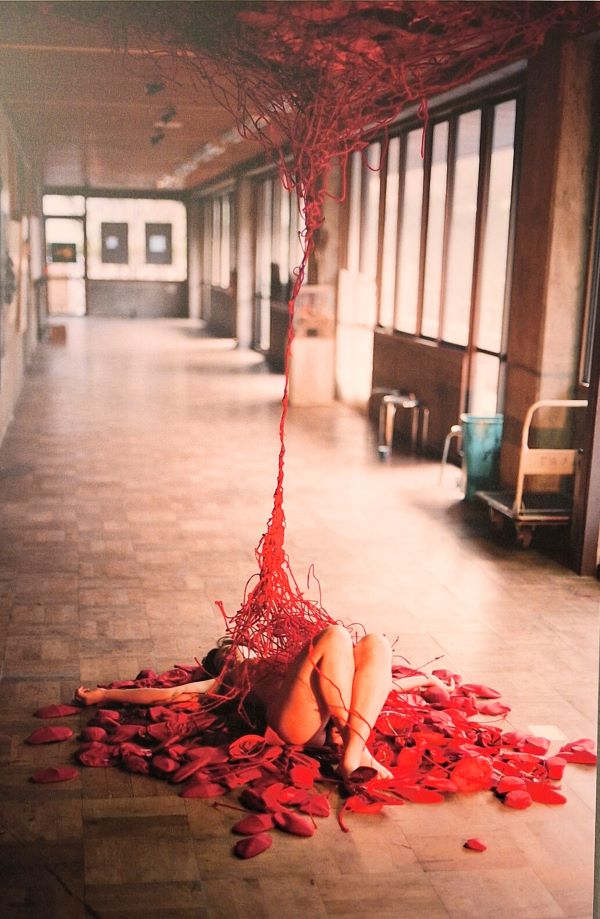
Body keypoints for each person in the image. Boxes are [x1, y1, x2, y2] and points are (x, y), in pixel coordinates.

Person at [76, 624, 450, 781]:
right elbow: (169, 694)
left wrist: (420, 681)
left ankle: (354, 749)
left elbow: (366, 681)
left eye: (235, 646)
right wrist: (105, 695)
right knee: (334, 635)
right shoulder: (227, 679)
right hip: (294, 723)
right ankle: (353, 751)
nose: (235, 649)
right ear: (223, 660)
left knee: (374, 644)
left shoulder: (281, 660)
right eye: (227, 651)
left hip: (325, 713)